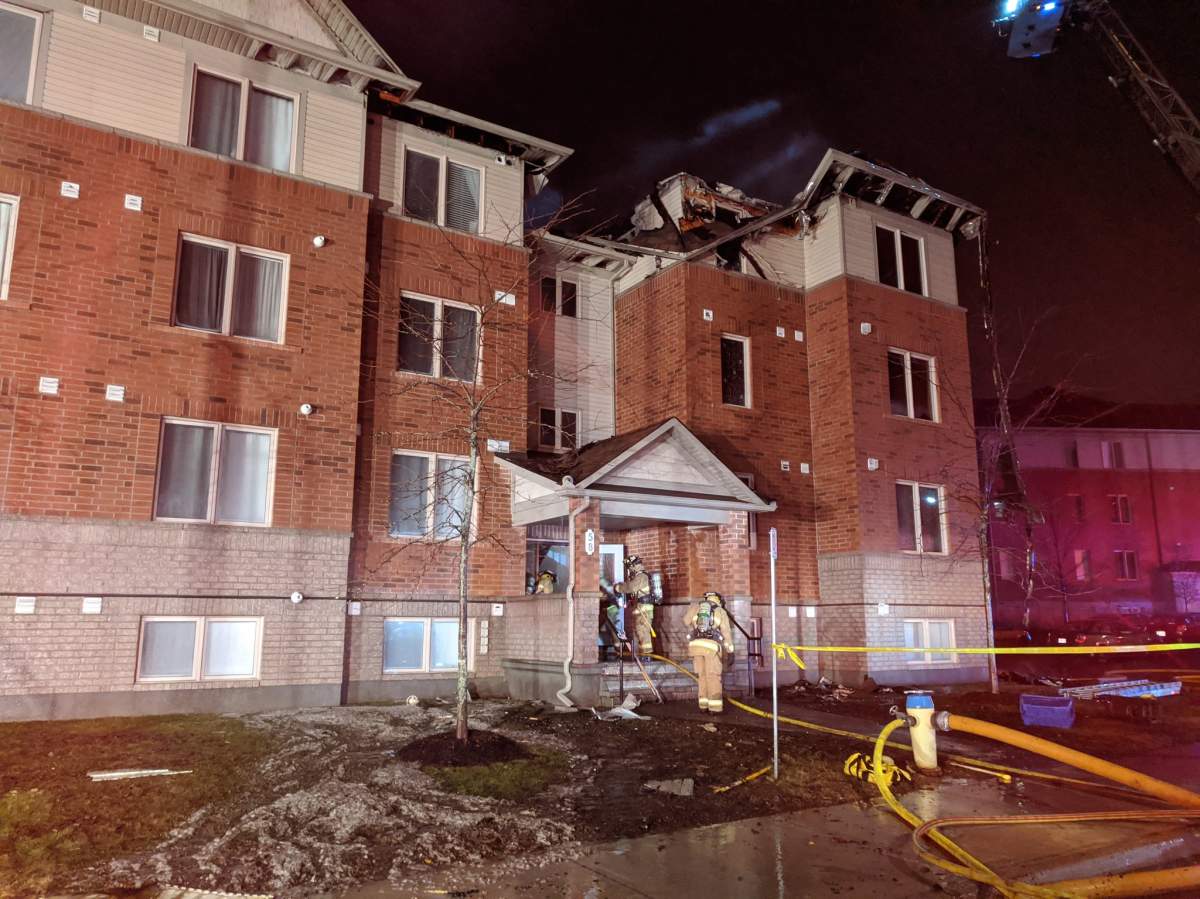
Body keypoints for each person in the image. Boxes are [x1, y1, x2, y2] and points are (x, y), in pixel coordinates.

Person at [685, 591, 734, 713]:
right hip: (711, 648)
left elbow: (686, 621)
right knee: (713, 676)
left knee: (702, 676)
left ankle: (703, 706)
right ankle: (715, 708)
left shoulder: (696, 607)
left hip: (695, 646)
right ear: (718, 600)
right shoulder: (720, 611)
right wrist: (730, 650)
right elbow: (726, 632)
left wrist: (694, 629)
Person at [614, 556, 654, 657]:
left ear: (633, 566)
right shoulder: (638, 576)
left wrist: (618, 587)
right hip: (641, 607)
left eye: (629, 567)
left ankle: (647, 656)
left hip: (644, 608)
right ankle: (643, 654)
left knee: (643, 632)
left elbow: (630, 587)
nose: (629, 570)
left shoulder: (641, 576)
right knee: (640, 631)